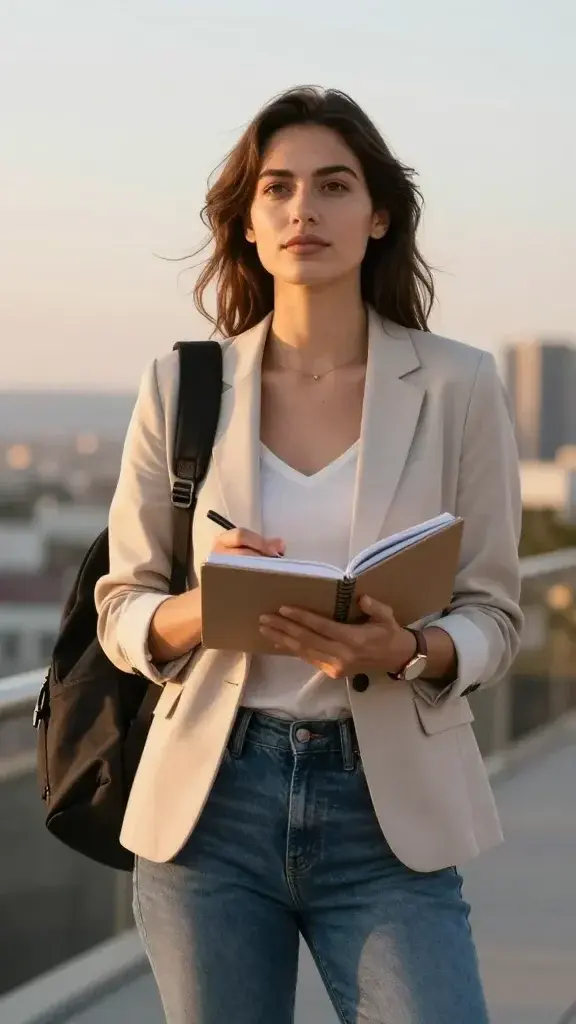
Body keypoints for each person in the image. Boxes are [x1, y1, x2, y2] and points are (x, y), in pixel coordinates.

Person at [95, 86, 522, 1024]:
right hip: (212, 805)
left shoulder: (458, 383)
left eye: (333, 185)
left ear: (377, 216)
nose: (303, 210)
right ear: (248, 222)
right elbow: (123, 605)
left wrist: (409, 651)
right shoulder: (182, 383)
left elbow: (495, 611)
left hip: (389, 813)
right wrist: (205, 606)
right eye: (278, 188)